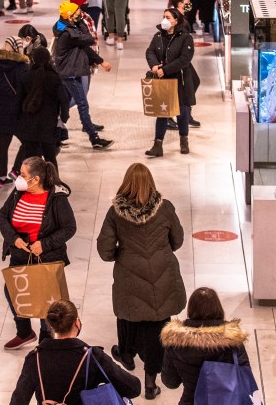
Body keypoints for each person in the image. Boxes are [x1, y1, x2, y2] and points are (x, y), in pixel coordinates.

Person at [97, 163, 186, 400]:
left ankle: (126, 352)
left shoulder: (115, 213)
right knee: (158, 328)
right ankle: (150, 384)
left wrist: (121, 256)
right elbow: (177, 240)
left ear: (126, 183)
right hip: (162, 275)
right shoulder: (165, 208)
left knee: (129, 314)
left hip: (129, 275)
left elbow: (104, 250)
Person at [0, 157, 77, 349]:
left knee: (45, 299)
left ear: (36, 179)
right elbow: (2, 217)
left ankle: (46, 337)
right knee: (13, 291)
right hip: (19, 254)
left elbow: (69, 228)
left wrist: (45, 244)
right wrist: (13, 238)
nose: (19, 178)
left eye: (23, 175)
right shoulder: (17, 194)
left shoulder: (56, 199)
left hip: (46, 258)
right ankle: (24, 332)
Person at [9, 299, 142, 405]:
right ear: (77, 322)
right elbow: (134, 388)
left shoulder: (35, 358)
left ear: (51, 326)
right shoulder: (93, 357)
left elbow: (18, 400)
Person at [160, 287, 252, 405]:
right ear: (218, 309)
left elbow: (170, 382)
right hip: (226, 401)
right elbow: (245, 374)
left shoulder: (175, 342)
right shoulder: (232, 340)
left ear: (191, 310)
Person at [52, 1, 113, 150]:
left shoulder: (66, 27)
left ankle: (55, 134)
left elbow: (85, 47)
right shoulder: (69, 33)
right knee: (82, 104)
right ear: (69, 16)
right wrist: (81, 24)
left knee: (64, 103)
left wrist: (101, 61)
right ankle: (94, 139)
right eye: (77, 13)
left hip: (71, 71)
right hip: (70, 73)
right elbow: (89, 39)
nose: (80, 15)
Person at [145, 8, 199, 157]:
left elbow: (185, 59)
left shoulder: (186, 38)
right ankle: (157, 144)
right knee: (162, 113)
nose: (164, 20)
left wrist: (166, 69)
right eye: (163, 17)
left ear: (176, 20)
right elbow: (149, 52)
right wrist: (154, 65)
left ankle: (184, 140)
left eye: (168, 17)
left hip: (181, 81)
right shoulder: (158, 36)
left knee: (182, 112)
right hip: (164, 82)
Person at [0, 37, 30, 187]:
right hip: (16, 113)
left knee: (1, 148)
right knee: (28, 141)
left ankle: (1, 178)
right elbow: (25, 92)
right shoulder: (23, 68)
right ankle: (15, 170)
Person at [16, 48, 70, 168]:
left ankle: (31, 182)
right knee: (50, 157)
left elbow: (19, 99)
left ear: (33, 59)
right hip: (48, 124)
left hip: (29, 123)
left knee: (30, 159)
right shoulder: (54, 77)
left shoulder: (26, 76)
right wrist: (64, 116)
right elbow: (64, 99)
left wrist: (18, 119)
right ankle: (53, 183)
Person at [163, 0, 201, 130]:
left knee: (193, 82)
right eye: (187, 1)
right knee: (184, 86)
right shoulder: (178, 21)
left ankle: (185, 113)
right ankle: (171, 116)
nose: (189, 3)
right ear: (180, 4)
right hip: (177, 60)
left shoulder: (181, 18)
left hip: (181, 59)